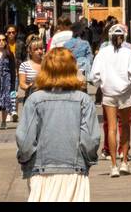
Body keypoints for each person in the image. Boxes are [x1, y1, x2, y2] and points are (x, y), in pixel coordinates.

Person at [16, 46, 101, 202]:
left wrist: (25, 159)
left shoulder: (34, 99)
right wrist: (87, 160)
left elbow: (25, 141)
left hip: (40, 171)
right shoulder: (84, 100)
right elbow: (90, 140)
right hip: (75, 171)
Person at [89, 24, 131, 177]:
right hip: (125, 95)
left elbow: (94, 77)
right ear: (123, 37)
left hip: (109, 94)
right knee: (125, 127)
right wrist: (129, 88)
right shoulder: (128, 53)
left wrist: (103, 86)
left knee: (111, 128)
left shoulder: (103, 53)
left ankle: (113, 166)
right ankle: (124, 162)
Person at [17, 36, 45, 107]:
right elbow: (22, 84)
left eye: (41, 48)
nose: (39, 51)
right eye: (36, 49)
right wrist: (30, 88)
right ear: (29, 51)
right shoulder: (24, 65)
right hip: (30, 99)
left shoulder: (47, 64)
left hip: (45, 100)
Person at [5, 25, 21, 123]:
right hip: (6, 72)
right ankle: (8, 113)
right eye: (9, 32)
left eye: (13, 32)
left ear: (16, 33)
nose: (11, 34)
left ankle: (14, 111)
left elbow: (23, 58)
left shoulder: (20, 44)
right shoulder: (3, 44)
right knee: (7, 93)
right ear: (6, 33)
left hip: (16, 71)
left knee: (14, 92)